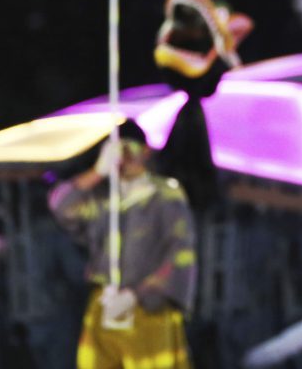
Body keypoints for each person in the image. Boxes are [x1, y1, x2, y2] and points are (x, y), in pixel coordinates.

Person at [49, 120, 196, 369]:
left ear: (146, 151)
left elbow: (179, 255)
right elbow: (61, 206)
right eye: (117, 150)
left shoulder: (165, 196)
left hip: (150, 308)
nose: (123, 157)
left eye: (129, 148)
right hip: (105, 304)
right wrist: (98, 171)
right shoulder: (104, 198)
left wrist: (138, 294)